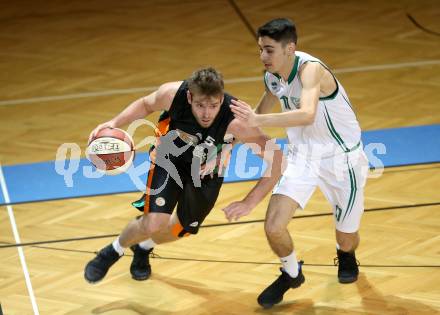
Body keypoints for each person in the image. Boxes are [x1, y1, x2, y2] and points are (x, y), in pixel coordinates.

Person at [84, 67, 284, 284]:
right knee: (153, 223)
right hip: (169, 159)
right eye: (200, 105)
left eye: (213, 106)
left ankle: (142, 247)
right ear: (190, 97)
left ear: (221, 99)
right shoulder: (172, 94)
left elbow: (278, 161)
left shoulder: (237, 119)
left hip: (207, 172)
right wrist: (113, 123)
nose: (206, 114)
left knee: (181, 229)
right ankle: (112, 251)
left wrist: (249, 202)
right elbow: (145, 104)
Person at [224, 18, 369, 308]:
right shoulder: (273, 77)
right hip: (302, 157)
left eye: (269, 50)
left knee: (346, 237)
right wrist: (226, 144)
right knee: (274, 226)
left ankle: (346, 255)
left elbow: (307, 114)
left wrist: (258, 120)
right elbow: (255, 116)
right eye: (260, 50)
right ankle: (291, 272)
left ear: (290, 48)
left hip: (342, 160)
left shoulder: (311, 70)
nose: (263, 57)